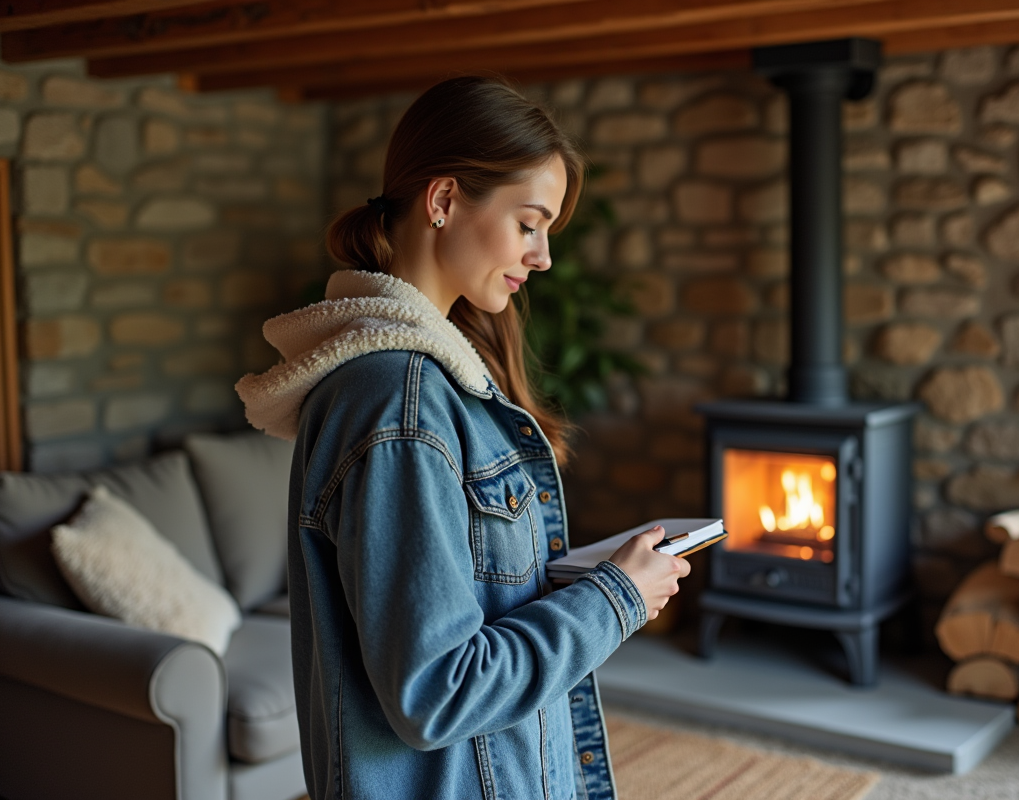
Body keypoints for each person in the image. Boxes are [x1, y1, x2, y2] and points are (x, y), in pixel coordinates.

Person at [236, 76, 691, 800]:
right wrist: (614, 597)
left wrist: (578, 578)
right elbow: (437, 691)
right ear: (444, 201)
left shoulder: (432, 382)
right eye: (528, 223)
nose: (541, 257)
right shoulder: (399, 403)